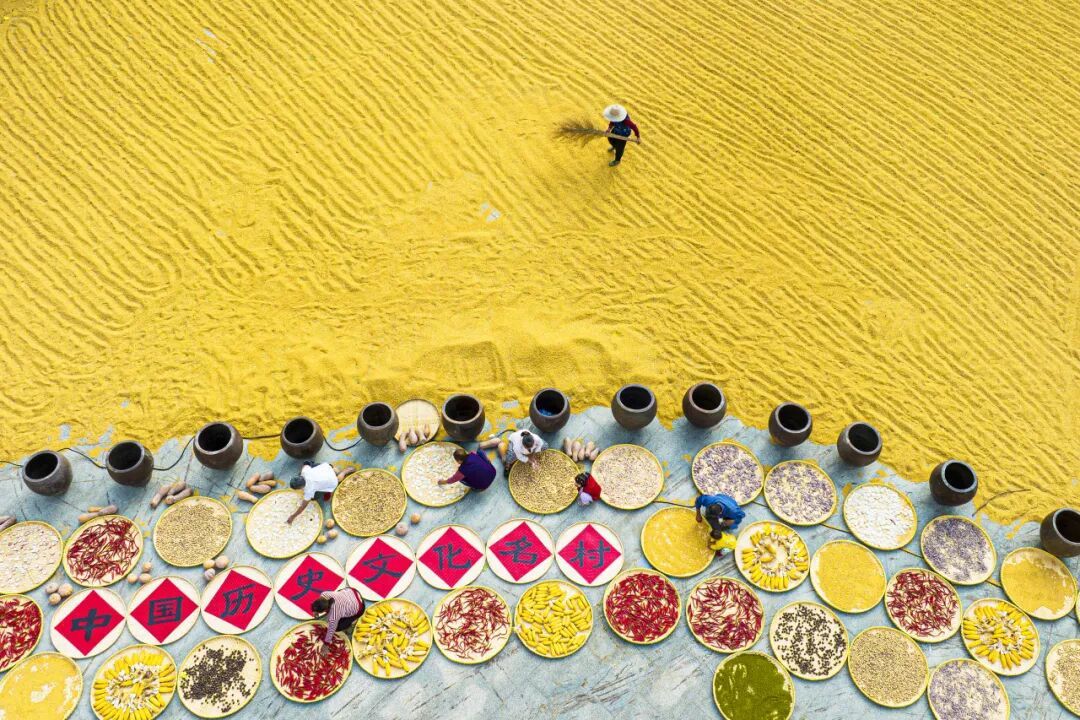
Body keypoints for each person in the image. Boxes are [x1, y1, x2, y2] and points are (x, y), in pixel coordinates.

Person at [287, 461, 355, 524]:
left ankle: (344, 472)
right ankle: (333, 469)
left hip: (332, 481)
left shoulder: (309, 490)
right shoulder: (304, 471)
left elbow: (303, 506)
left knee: (315, 497)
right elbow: (306, 464)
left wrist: (293, 516)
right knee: (313, 465)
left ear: (301, 487)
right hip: (326, 467)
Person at [310, 587, 366, 656]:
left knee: (338, 627)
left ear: (324, 610)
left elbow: (331, 630)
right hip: (352, 592)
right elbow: (317, 604)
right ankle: (345, 609)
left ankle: (352, 621)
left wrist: (325, 645)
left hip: (360, 606)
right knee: (340, 600)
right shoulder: (324, 594)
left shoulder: (334, 614)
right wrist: (315, 610)